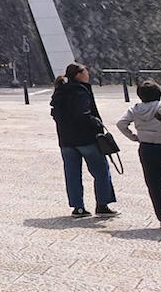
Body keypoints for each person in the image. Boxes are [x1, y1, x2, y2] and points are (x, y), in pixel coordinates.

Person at [50, 63, 116, 217]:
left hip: (66, 140)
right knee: (101, 171)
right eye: (86, 72)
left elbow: (55, 114)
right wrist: (96, 122)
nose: (88, 75)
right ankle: (102, 204)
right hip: (86, 139)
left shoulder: (60, 92)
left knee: (72, 174)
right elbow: (83, 114)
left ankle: (78, 207)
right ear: (78, 75)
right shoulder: (81, 91)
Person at [115, 80, 161, 228]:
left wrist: (134, 137)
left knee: (154, 185)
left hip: (146, 148)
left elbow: (121, 123)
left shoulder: (134, 109)